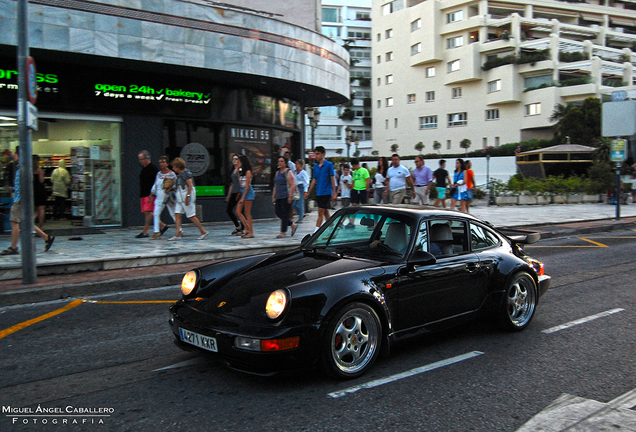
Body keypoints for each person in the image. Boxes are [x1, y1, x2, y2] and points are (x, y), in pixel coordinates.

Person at [1, 147, 54, 255]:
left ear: (18, 155)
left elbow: (25, 185)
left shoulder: (23, 168)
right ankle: (47, 237)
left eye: (15, 154)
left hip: (19, 200)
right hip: (21, 198)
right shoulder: (22, 167)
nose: (13, 156)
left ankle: (13, 247)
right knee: (26, 222)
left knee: (14, 222)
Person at [169, 157, 209, 241]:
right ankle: (177, 233)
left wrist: (188, 197)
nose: (173, 168)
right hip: (180, 199)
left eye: (174, 166)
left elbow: (190, 185)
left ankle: (203, 231)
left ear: (177, 166)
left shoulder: (186, 173)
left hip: (186, 198)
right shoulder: (180, 175)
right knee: (177, 214)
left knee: (191, 216)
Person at [304, 146, 337, 232]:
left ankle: (316, 231)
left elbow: (332, 179)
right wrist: (308, 191)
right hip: (319, 192)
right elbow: (314, 180)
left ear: (323, 154)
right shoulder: (316, 166)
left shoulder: (329, 165)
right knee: (325, 212)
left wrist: (334, 193)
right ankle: (332, 228)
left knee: (320, 212)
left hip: (326, 192)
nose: (316, 156)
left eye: (318, 154)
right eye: (315, 154)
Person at [149, 155, 176, 240]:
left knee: (173, 214)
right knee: (156, 213)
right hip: (160, 195)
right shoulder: (159, 174)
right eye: (160, 162)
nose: (162, 164)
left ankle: (180, 229)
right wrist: (152, 192)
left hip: (168, 196)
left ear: (167, 163)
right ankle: (156, 231)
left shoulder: (172, 174)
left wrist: (171, 188)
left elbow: (176, 184)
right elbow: (156, 184)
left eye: (163, 162)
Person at [272, 156, 298, 238]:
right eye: (279, 161)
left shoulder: (288, 172)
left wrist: (290, 195)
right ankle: (292, 224)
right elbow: (275, 185)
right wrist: (273, 196)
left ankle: (283, 232)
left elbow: (293, 183)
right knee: (278, 212)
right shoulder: (277, 173)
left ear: (285, 163)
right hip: (279, 196)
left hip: (286, 195)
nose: (280, 163)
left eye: (282, 161)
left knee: (284, 213)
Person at [137, 150, 158, 238]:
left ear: (146, 159)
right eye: (140, 159)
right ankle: (162, 226)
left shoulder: (153, 168)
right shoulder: (143, 168)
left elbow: (156, 182)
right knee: (147, 212)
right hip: (143, 193)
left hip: (149, 194)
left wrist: (151, 194)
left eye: (141, 159)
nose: (140, 161)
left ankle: (145, 231)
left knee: (148, 212)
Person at [236, 155, 255, 239]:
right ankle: (247, 228)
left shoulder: (248, 172)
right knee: (238, 211)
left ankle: (251, 232)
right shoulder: (241, 172)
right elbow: (240, 184)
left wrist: (242, 197)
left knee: (247, 213)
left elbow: (247, 186)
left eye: (239, 161)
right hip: (243, 191)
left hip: (248, 192)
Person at [225, 154, 244, 235]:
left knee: (240, 211)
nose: (234, 161)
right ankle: (238, 226)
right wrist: (229, 195)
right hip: (234, 192)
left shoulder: (240, 169)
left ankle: (242, 228)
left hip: (240, 192)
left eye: (236, 159)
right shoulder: (233, 170)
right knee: (229, 210)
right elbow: (232, 184)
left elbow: (242, 182)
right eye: (233, 159)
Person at [32, 154, 48, 229]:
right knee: (41, 209)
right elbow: (41, 181)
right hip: (40, 190)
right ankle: (40, 227)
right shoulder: (39, 170)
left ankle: (31, 222)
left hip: (33, 190)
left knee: (35, 209)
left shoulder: (29, 170)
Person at [293, 159, 309, 223]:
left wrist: (306, 190)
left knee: (300, 203)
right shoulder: (294, 172)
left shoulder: (303, 172)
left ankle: (300, 218)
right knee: (294, 203)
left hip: (301, 187)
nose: (296, 165)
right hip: (295, 188)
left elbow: (306, 182)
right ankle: (301, 213)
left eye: (297, 164)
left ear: (300, 165)